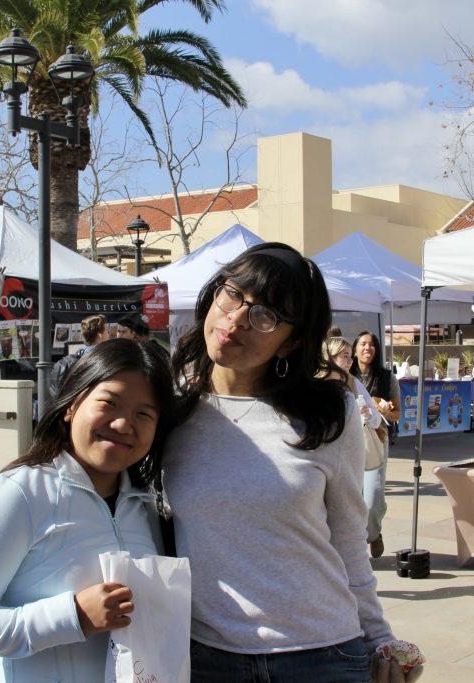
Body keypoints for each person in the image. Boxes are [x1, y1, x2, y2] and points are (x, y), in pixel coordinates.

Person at [164, 243, 419, 682]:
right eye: (232, 295)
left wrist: (379, 639)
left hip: (320, 656)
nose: (237, 318)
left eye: (265, 315)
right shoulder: (170, 408)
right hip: (206, 658)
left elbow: (348, 538)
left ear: (293, 341)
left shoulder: (328, 413)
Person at [0, 338, 176, 681]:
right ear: (71, 406)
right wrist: (74, 616)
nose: (124, 424)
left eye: (143, 414)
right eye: (109, 403)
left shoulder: (144, 506)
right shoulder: (18, 494)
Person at [354, 330, 401, 558]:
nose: (367, 348)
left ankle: (374, 533)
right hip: (349, 443)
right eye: (362, 344)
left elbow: (397, 414)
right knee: (352, 496)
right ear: (354, 349)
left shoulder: (386, 378)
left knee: (373, 495)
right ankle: (355, 545)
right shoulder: (345, 375)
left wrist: (382, 410)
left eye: (372, 345)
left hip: (376, 442)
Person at [50, 314, 109, 396]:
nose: (108, 334)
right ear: (100, 335)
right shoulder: (99, 355)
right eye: (107, 331)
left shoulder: (80, 351)